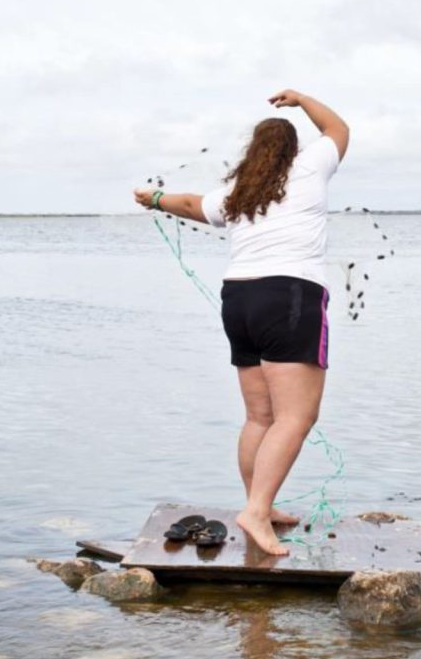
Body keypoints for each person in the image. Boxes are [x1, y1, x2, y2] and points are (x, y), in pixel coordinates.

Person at [134, 89, 349, 555]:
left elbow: (192, 204)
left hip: (239, 299)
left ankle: (260, 505)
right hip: (289, 295)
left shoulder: (238, 193)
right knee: (296, 416)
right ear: (293, 150)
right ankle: (256, 510)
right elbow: (338, 130)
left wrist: (154, 197)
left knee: (259, 416)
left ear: (253, 154)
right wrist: (301, 99)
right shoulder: (309, 168)